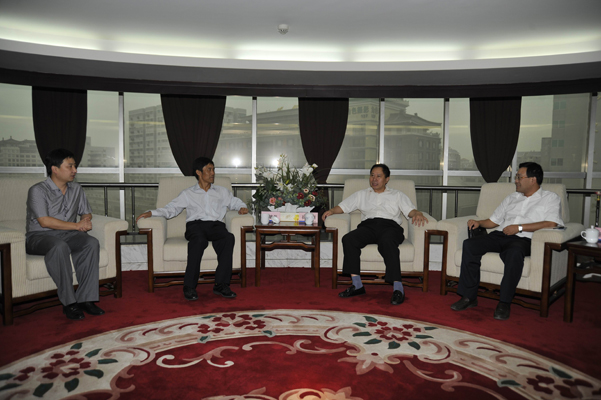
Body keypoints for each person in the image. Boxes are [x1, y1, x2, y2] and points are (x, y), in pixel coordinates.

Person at [450, 162, 563, 320]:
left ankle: (504, 302)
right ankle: (469, 297)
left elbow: (552, 223)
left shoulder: (550, 198)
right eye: (516, 177)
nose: (516, 180)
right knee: (470, 245)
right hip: (500, 235)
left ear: (533, 179)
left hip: (524, 239)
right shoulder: (512, 197)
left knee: (514, 253)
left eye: (519, 177)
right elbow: (493, 221)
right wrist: (479, 222)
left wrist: (520, 228)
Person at [136, 156, 248, 301]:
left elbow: (234, 202)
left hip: (215, 225)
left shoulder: (222, 191)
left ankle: (221, 285)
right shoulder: (188, 193)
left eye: (213, 169)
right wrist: (152, 213)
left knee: (228, 238)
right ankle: (189, 286)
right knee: (199, 241)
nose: (213, 173)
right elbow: (171, 209)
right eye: (209, 170)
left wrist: (242, 207)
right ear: (199, 172)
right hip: (195, 225)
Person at [322, 164, 428, 305]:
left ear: (387, 179)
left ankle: (398, 288)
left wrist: (418, 213)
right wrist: (331, 211)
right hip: (368, 227)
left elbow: (411, 211)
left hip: (390, 227)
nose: (374, 179)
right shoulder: (362, 194)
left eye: (378, 176)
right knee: (349, 239)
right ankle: (357, 285)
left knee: (387, 242)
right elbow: (343, 207)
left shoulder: (397, 195)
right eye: (372, 175)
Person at [26, 148, 104, 321]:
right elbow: (44, 221)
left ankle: (86, 299)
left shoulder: (76, 189)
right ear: (55, 169)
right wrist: (77, 226)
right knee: (59, 246)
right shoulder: (37, 190)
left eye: (75, 166)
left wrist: (86, 220)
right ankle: (69, 302)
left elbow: (86, 211)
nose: (74, 170)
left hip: (68, 234)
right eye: (70, 166)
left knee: (91, 243)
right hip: (39, 236)